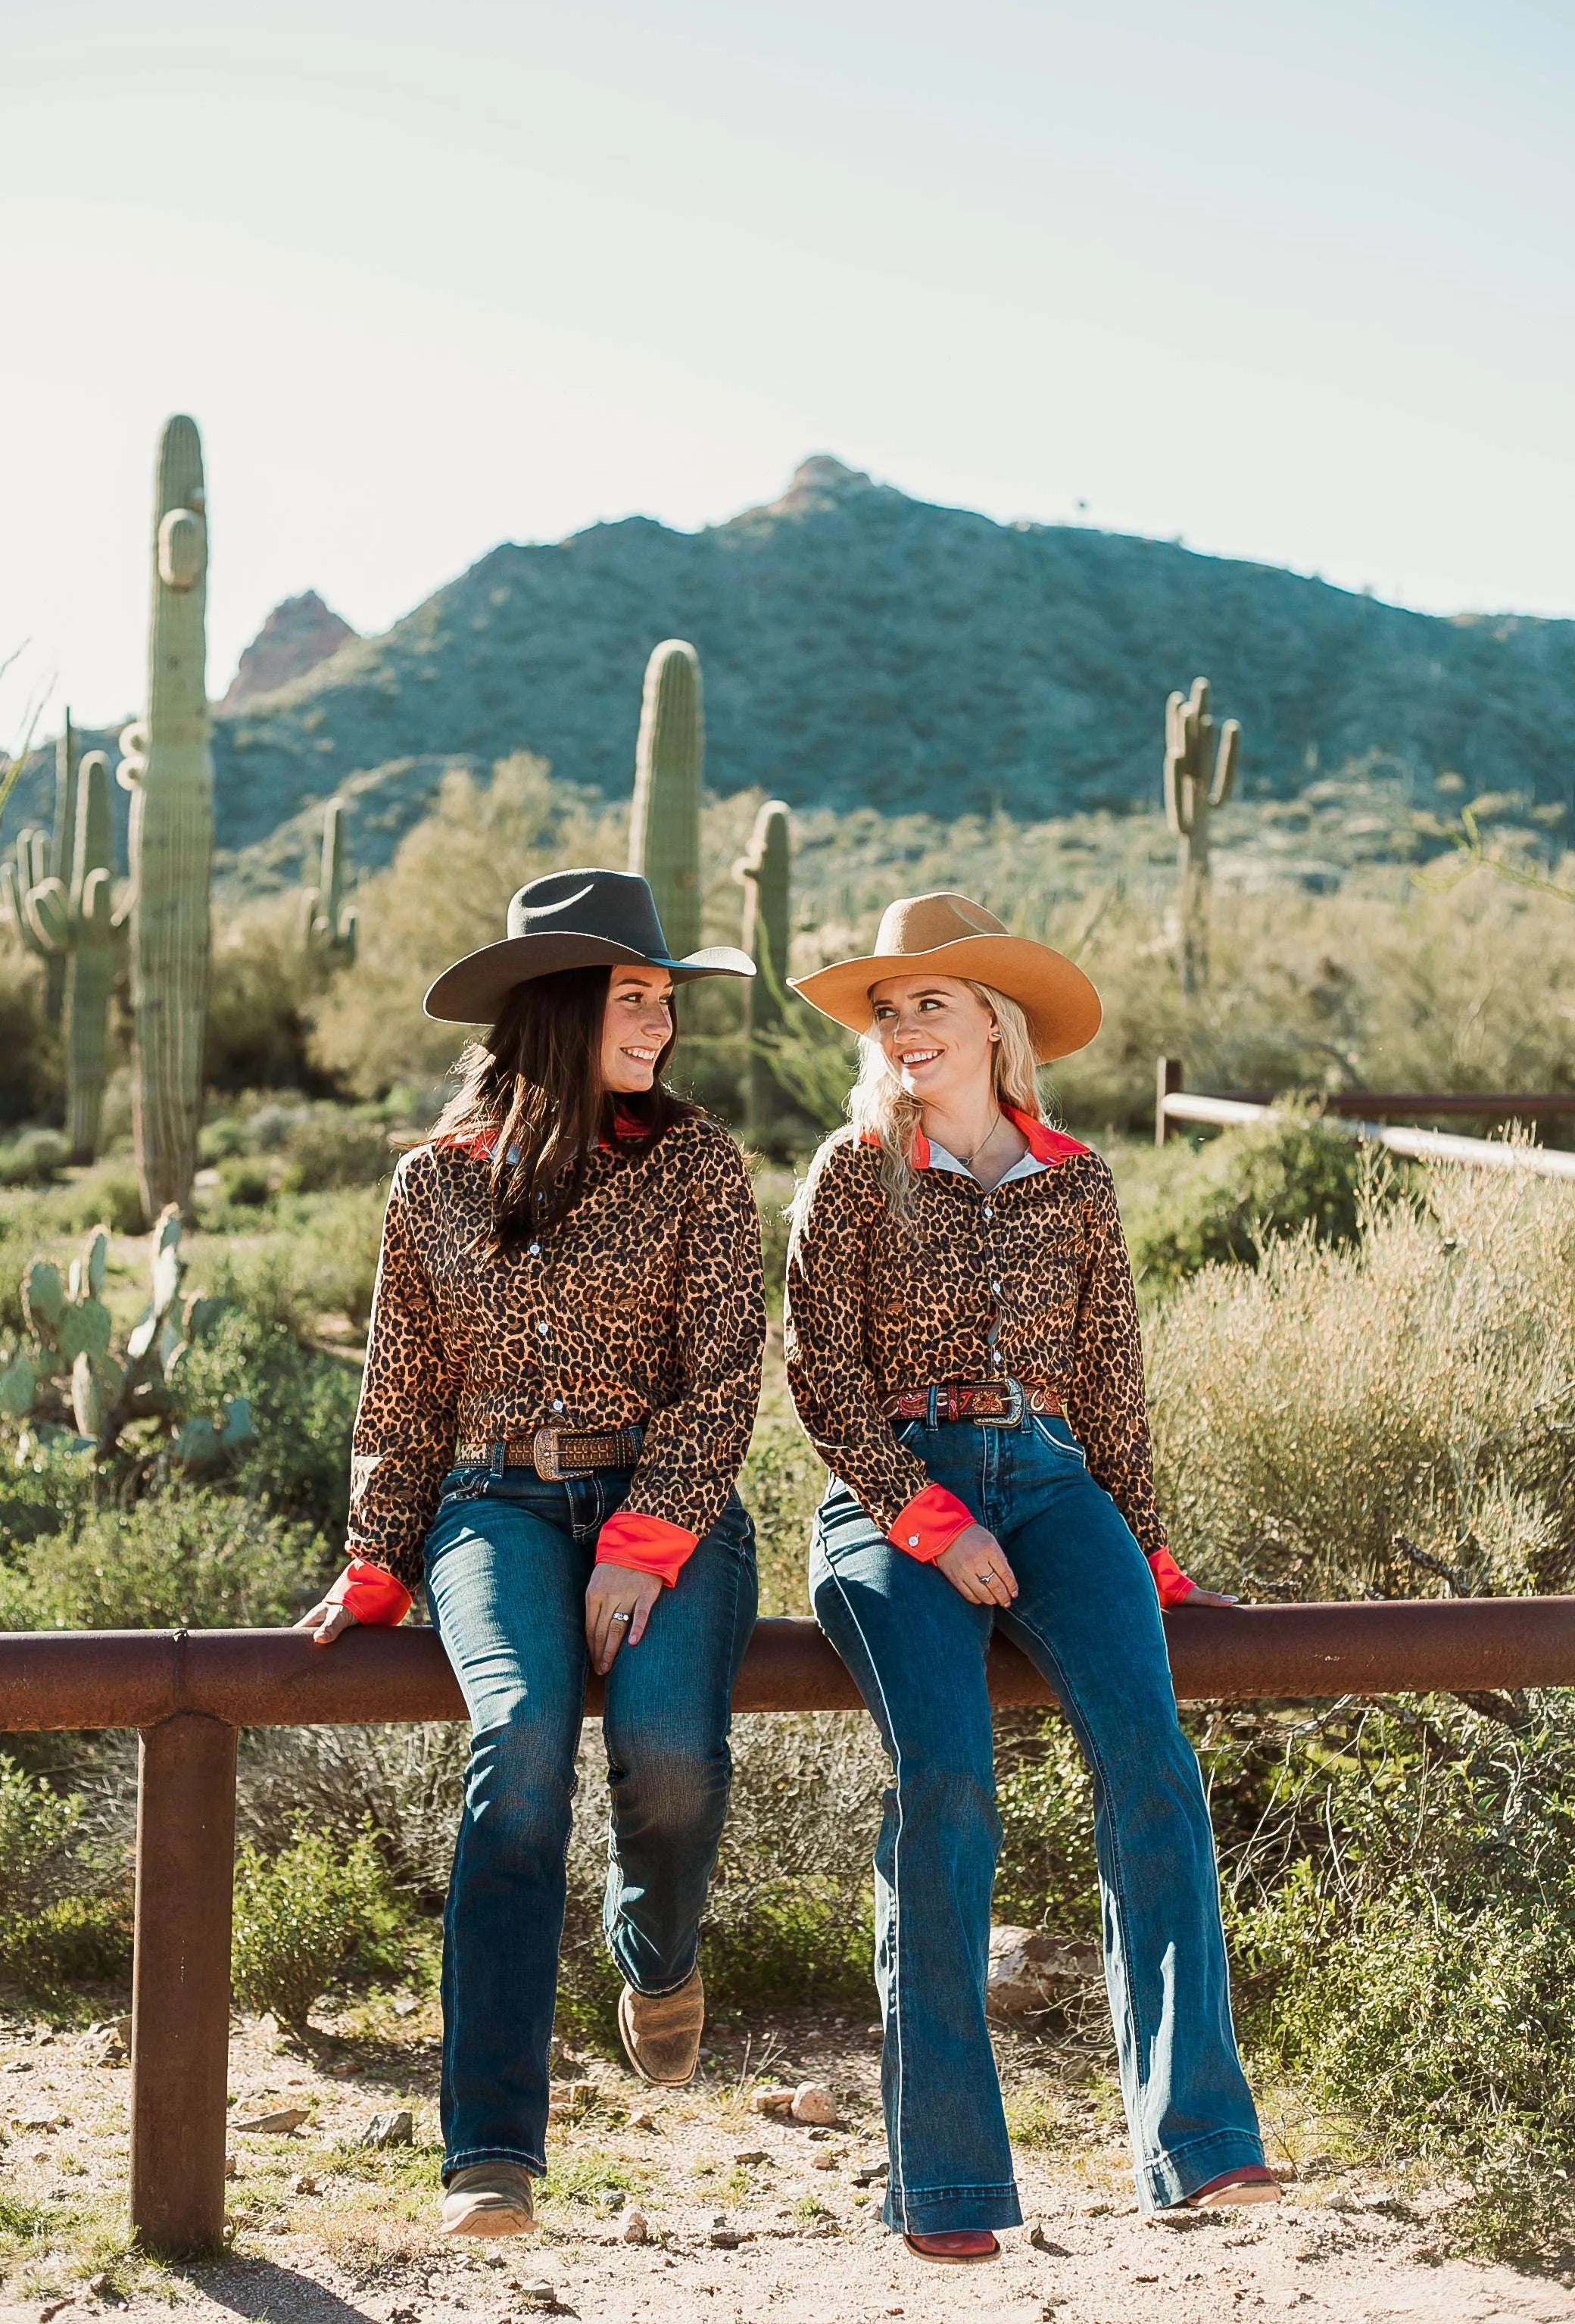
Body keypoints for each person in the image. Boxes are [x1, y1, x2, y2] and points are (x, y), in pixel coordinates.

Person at [783, 891, 1275, 2265]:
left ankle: (1198, 2140)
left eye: (927, 1001)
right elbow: (818, 1374)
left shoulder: (1076, 1178)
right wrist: (932, 1521)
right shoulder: (852, 1167)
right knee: (948, 1781)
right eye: (888, 1009)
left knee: (1151, 1759)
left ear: (995, 1023)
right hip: (892, 1495)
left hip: (1058, 1483)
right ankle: (943, 2187)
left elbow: (1112, 1379)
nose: (901, 1026)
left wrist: (1154, 1551)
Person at [296, 869, 765, 2240]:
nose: (664, 1024)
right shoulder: (430, 1186)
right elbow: (403, 1393)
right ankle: (491, 2150)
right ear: (563, 1008)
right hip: (492, 1505)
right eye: (639, 997)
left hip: (665, 1501)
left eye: (670, 1000)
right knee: (517, 1749)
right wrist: (376, 1560)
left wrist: (649, 1531)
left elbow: (728, 1368)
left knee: (670, 1754)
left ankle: (656, 1958)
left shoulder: (699, 1165)